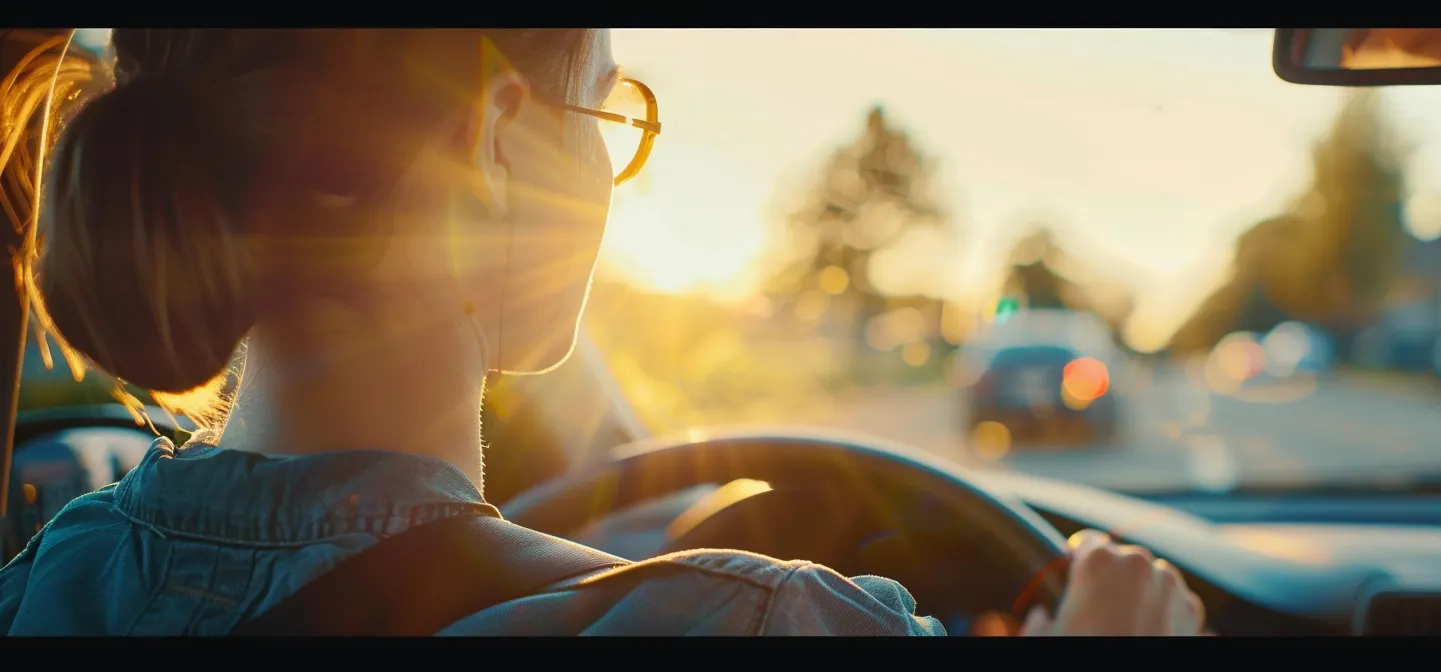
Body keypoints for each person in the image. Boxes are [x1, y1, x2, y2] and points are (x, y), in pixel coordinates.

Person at [0, 28, 1207, 636]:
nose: (611, 160)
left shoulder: (44, 586)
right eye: (605, 106)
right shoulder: (759, 625)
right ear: (491, 143)